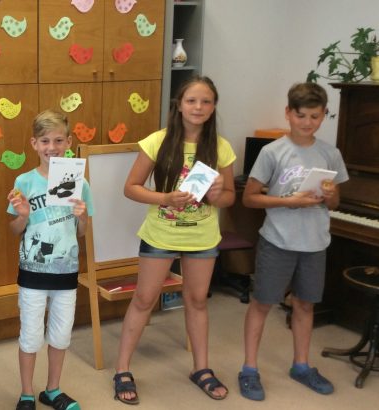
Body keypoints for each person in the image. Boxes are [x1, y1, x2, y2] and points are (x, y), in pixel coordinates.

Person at [113, 76, 236, 404]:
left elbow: (229, 198)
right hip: (161, 233)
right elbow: (131, 187)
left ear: (213, 107)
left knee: (197, 301)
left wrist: (218, 194)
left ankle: (201, 368)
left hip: (202, 236)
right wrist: (165, 198)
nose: (198, 107)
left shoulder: (221, 147)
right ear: (179, 104)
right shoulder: (158, 141)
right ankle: (122, 369)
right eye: (192, 100)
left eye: (206, 101)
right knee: (144, 299)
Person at [237, 82, 348, 401]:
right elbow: (250, 198)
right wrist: (289, 202)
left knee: (305, 304)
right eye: (301, 115)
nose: (307, 122)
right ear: (288, 113)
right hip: (278, 241)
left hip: (315, 244)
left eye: (315, 116)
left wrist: (330, 194)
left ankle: (301, 365)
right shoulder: (273, 152)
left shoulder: (331, 153)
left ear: (323, 115)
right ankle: (249, 368)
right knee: (262, 303)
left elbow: (335, 202)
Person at [7, 110, 94, 410]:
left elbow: (81, 232)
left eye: (58, 140)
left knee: (60, 335)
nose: (52, 147)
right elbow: (14, 230)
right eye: (45, 141)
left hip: (66, 272)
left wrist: (82, 217)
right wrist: (22, 216)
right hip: (33, 272)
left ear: (69, 142)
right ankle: (26, 393)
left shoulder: (79, 183)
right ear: (34, 144)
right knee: (30, 336)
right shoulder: (24, 181)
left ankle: (53, 390)